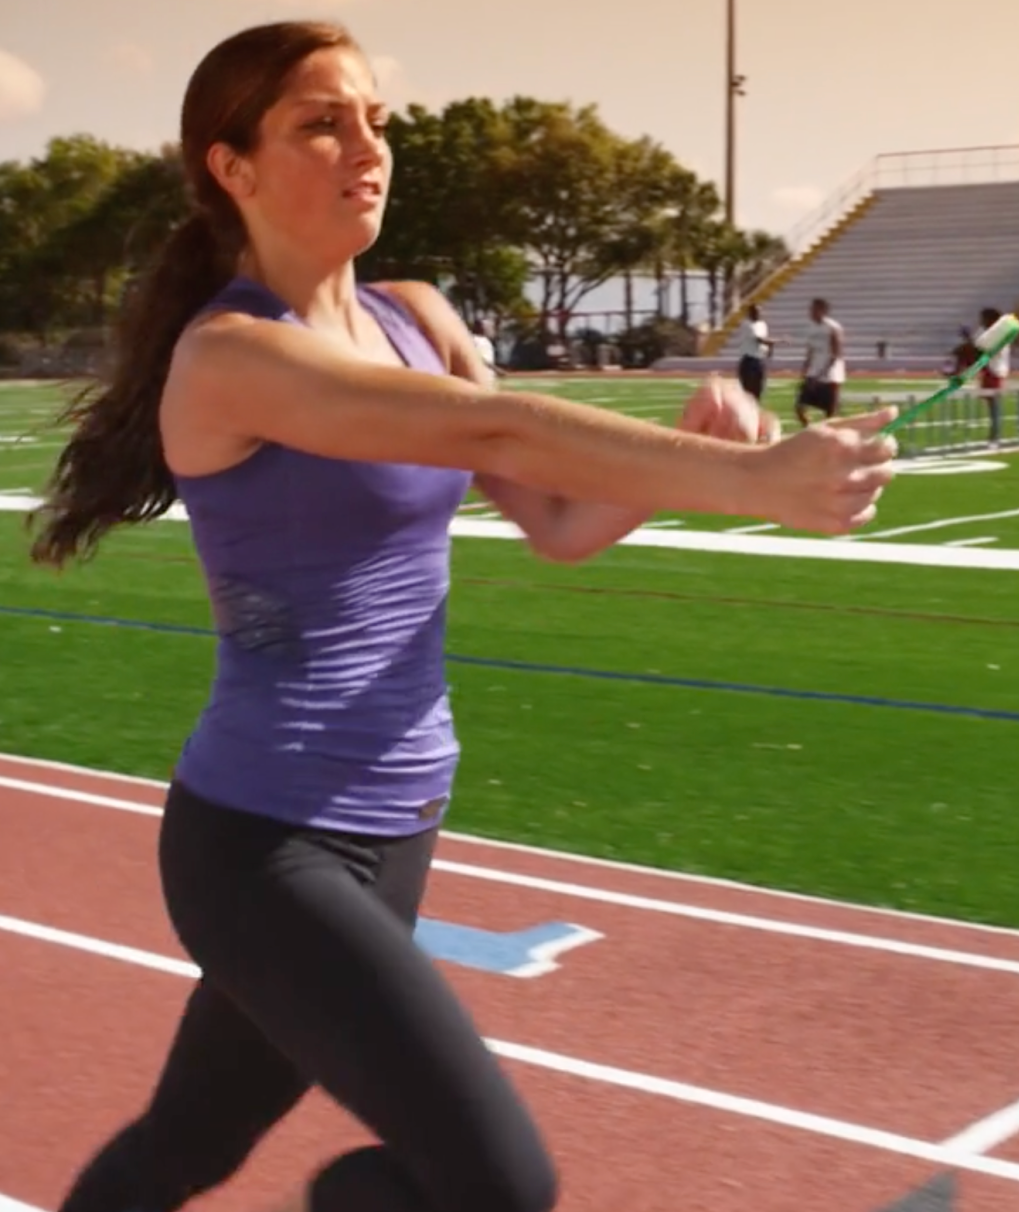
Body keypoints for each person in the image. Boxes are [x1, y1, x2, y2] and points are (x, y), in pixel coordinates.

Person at [27, 20, 897, 1212]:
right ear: (229, 168)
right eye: (320, 123)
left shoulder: (415, 315)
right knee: (497, 1184)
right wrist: (750, 484)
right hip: (261, 844)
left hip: (396, 825)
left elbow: (553, 518)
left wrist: (683, 455)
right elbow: (489, 431)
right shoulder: (229, 356)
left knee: (188, 1145)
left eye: (374, 120)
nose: (365, 147)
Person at [794, 297, 845, 427]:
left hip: (831, 376)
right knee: (799, 407)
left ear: (823, 310)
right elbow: (810, 352)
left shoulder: (833, 328)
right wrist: (805, 371)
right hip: (813, 373)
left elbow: (836, 354)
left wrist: (823, 372)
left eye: (814, 309)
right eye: (811, 309)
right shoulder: (810, 328)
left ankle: (830, 440)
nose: (810, 311)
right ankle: (810, 431)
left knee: (830, 414)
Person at [976, 306, 1009, 447]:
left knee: (994, 406)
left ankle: (995, 437)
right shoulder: (987, 332)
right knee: (990, 405)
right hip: (988, 370)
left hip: (995, 371)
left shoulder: (1000, 334)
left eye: (984, 318)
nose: (981, 321)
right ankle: (993, 435)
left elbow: (988, 349)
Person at [736, 303, 774, 402]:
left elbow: (764, 342)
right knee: (748, 392)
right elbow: (760, 339)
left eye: (759, 312)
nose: (758, 314)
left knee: (759, 390)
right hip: (749, 361)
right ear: (750, 313)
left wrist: (769, 350)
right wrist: (778, 341)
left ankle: (755, 412)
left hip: (759, 360)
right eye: (755, 312)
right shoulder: (747, 324)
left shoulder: (762, 325)